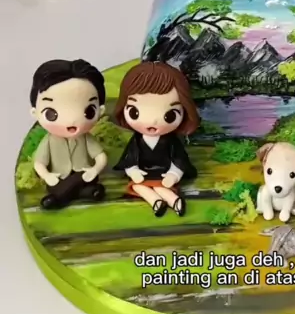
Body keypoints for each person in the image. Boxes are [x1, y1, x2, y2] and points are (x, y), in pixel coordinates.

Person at [113, 61, 200, 217]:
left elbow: (179, 159)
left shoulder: (171, 140)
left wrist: (174, 174)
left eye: (169, 115)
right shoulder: (137, 140)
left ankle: (174, 201)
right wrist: (133, 171)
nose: (151, 121)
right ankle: (156, 202)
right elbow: (129, 158)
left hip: (164, 173)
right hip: (143, 173)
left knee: (162, 187)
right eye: (135, 112)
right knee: (138, 186)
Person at [30, 59, 108, 209]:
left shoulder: (86, 138)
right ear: (35, 113)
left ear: (100, 111)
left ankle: (58, 198)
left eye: (88, 111)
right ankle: (88, 193)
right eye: (52, 113)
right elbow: (39, 163)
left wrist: (95, 170)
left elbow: (100, 156)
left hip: (84, 175)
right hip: (59, 178)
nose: (71, 120)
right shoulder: (49, 141)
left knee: (81, 178)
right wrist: (47, 176)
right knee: (70, 185)